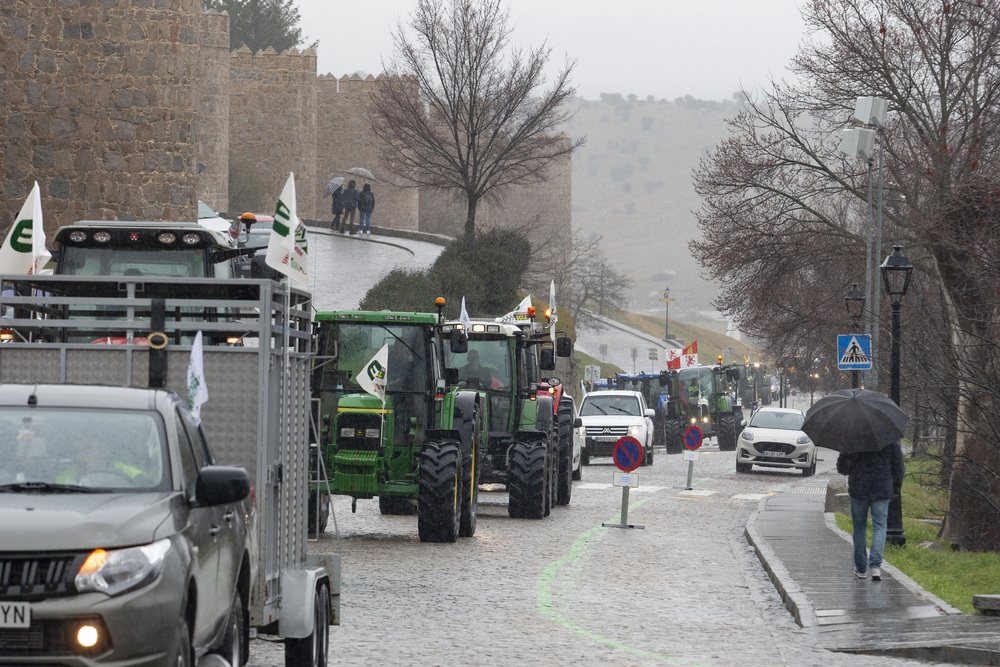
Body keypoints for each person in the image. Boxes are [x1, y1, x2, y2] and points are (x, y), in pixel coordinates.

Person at [836, 442, 904, 581]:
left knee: (859, 528)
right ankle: (875, 567)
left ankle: (861, 568)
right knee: (880, 527)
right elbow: (898, 467)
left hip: (859, 488)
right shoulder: (890, 440)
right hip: (882, 489)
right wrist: (896, 488)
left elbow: (842, 468)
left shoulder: (853, 439)